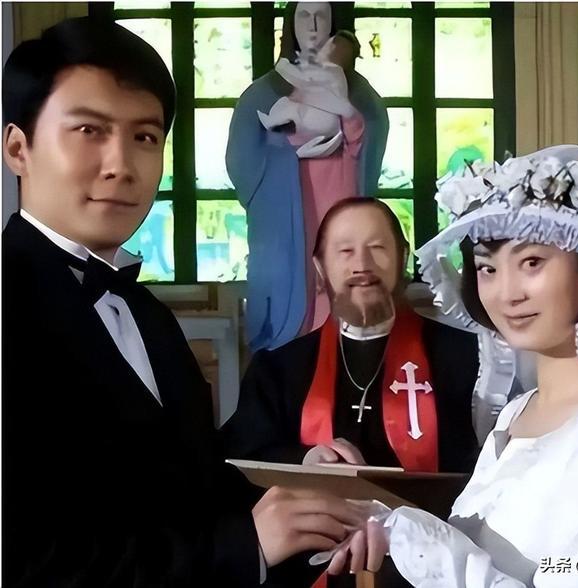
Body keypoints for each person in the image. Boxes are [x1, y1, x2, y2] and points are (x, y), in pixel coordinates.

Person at [2, 17, 369, 587]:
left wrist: (304, 493)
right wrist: (243, 545)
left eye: (145, 137)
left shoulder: (145, 314)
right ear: (18, 149)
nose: (121, 165)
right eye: (89, 130)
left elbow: (194, 481)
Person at [335, 146, 578, 586]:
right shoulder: (517, 410)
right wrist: (393, 528)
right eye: (487, 268)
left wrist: (426, 546)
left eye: (532, 262)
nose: (507, 294)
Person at [223, 197, 480, 475]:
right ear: (320, 267)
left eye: (377, 248)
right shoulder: (278, 371)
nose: (362, 265)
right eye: (346, 251)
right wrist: (303, 459)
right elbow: (239, 459)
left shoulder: (467, 359)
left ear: (402, 258)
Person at [226, 2, 389, 352]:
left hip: (341, 203)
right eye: (304, 15)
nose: (313, 25)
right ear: (290, 24)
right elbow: (241, 163)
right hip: (287, 220)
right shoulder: (263, 92)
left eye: (321, 16)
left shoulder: (357, 91)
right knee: (294, 312)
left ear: (334, 23)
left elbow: (370, 142)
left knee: (342, 285)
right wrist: (291, 155)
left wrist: (348, 120)